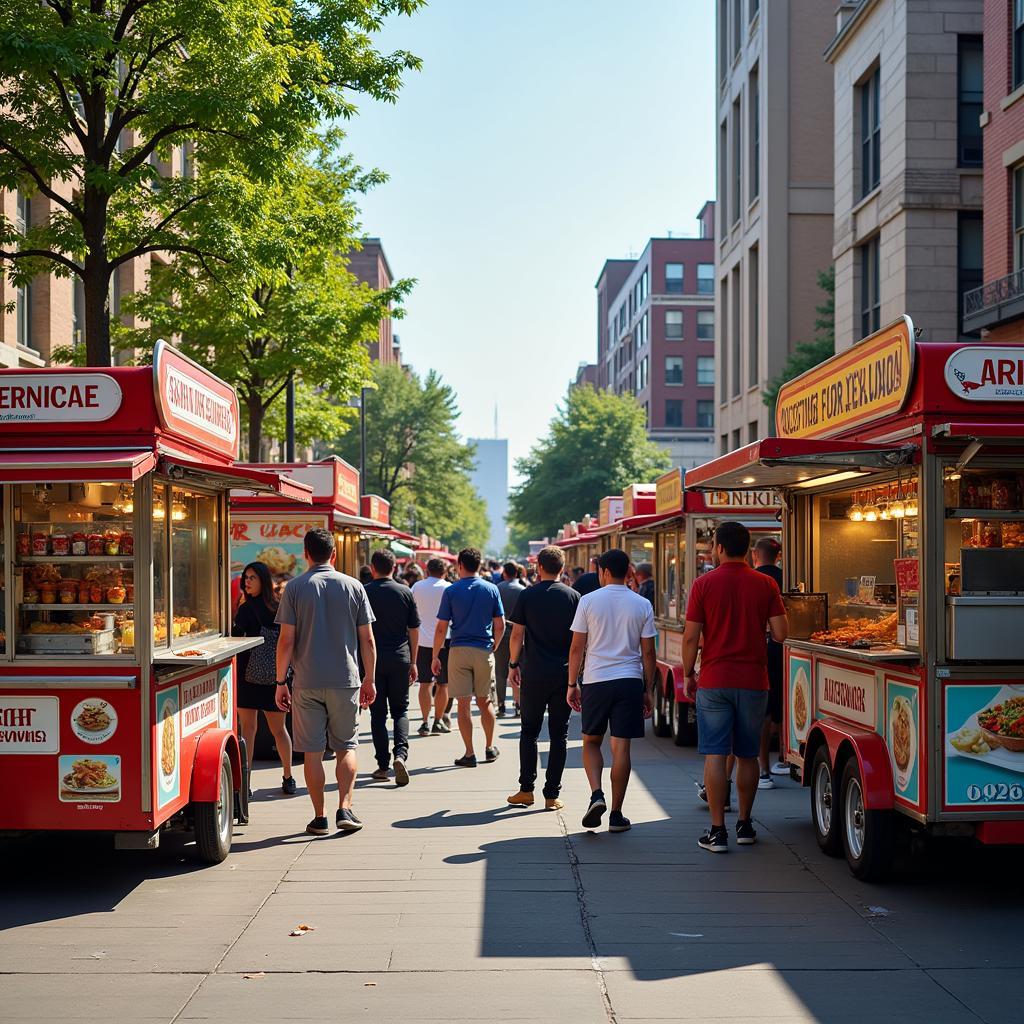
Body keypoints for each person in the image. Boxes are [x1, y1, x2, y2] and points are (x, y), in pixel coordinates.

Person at [682, 522, 788, 853]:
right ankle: (744, 824)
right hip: (754, 681)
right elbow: (782, 633)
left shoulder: (703, 584)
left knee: (716, 754)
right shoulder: (766, 583)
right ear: (747, 549)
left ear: (719, 547)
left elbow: (690, 636)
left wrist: (688, 673)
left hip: (714, 680)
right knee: (747, 756)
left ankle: (717, 831)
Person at [275, 528, 377, 836]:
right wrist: (369, 678)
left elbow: (286, 641)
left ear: (305, 553)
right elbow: (368, 640)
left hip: (306, 680)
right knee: (346, 746)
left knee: (312, 751)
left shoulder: (294, 588)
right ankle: (344, 807)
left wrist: (281, 681)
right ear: (334, 554)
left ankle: (319, 817)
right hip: (346, 679)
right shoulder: (354, 586)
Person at [568, 548, 657, 833]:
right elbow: (649, 653)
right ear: (628, 571)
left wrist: (572, 684)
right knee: (622, 747)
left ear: (603, 571)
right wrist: (648, 689)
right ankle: (617, 814)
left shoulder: (588, 601)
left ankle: (596, 794)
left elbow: (577, 647)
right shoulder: (642, 604)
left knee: (591, 742)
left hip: (596, 680)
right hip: (630, 680)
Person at [506, 545, 579, 810]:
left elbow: (517, 635)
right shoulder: (574, 597)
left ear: (539, 567)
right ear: (563, 568)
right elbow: (579, 641)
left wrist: (513, 664)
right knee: (559, 735)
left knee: (529, 732)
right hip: (563, 674)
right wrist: (576, 677)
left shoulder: (527, 595)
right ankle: (552, 795)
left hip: (534, 673)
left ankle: (526, 790)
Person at [433, 547, 504, 768]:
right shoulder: (491, 589)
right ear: (479, 564)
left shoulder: (451, 591)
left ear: (460, 565)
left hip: (458, 650)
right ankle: (490, 747)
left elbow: (441, 628)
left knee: (463, 705)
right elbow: (500, 624)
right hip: (483, 649)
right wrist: (495, 644)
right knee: (485, 701)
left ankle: (469, 752)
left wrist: (436, 655)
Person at [233, 561, 295, 796]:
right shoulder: (280, 606)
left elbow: (236, 638)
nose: (247, 582)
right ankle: (288, 777)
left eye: (252, 578)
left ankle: (245, 784)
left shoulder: (246, 609)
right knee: (279, 730)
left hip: (247, 675)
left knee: (248, 730)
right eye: (245, 578)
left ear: (262, 580)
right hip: (275, 676)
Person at [364, 549, 420, 787]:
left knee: (377, 714)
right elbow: (414, 629)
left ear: (372, 568)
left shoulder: (364, 592)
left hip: (373, 660)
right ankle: (401, 754)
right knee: (401, 710)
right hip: (400, 657)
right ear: (395, 567)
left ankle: (383, 764)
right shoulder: (405, 591)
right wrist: (414, 661)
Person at [752, 537, 785, 787]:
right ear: (779, 555)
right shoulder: (787, 577)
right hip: (786, 647)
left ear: (755, 554)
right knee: (787, 705)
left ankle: (764, 770)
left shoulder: (754, 581)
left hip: (761, 649)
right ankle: (785, 757)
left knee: (763, 711)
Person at [411, 557, 452, 735]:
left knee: (424, 683)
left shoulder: (417, 587)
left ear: (427, 571)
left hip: (421, 641)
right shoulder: (449, 588)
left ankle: (425, 721)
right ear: (444, 572)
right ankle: (438, 720)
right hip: (445, 640)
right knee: (443, 684)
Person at [494, 561, 526, 717]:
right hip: (519, 636)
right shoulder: (523, 590)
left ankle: (501, 705)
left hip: (501, 635)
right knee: (517, 670)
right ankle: (518, 704)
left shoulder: (498, 588)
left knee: (500, 672)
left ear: (504, 573)